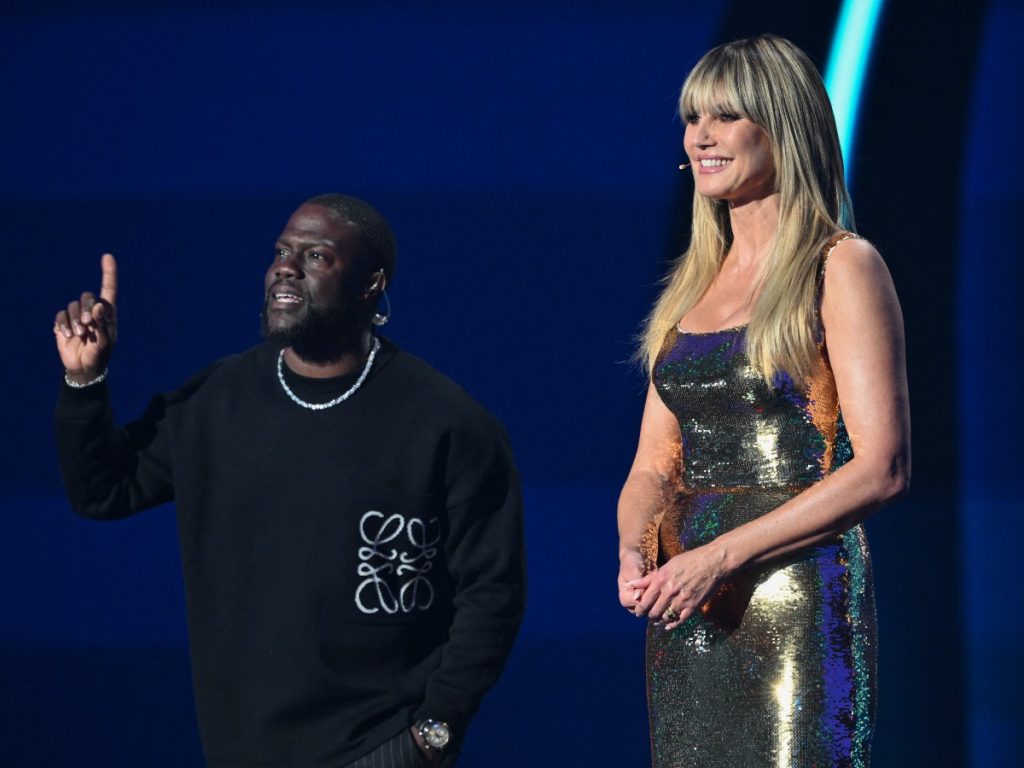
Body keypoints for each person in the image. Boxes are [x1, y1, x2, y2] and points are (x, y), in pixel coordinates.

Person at [53, 194, 526, 768]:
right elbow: (104, 491)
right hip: (241, 751)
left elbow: (493, 591)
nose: (286, 267)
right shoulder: (216, 401)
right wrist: (85, 382)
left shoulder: (446, 422)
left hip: (380, 748)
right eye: (281, 252)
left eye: (315, 256)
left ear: (371, 283)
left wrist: (434, 733)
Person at [616, 36, 910, 767]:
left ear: (783, 130)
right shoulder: (692, 286)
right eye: (693, 118)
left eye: (726, 116)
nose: (701, 136)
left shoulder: (841, 265)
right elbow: (654, 464)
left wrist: (721, 555)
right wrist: (636, 551)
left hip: (793, 596)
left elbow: (882, 467)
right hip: (689, 605)